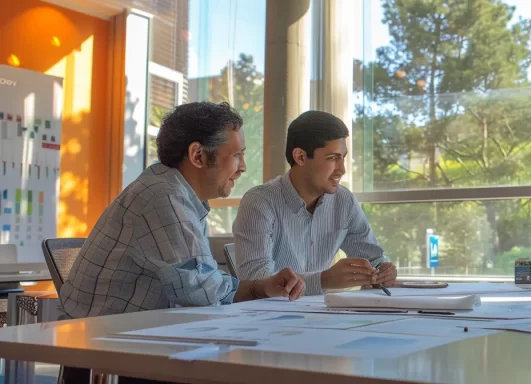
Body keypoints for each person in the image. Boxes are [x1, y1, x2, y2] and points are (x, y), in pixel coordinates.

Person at [58, 101, 305, 320]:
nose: (243, 167)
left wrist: (261, 287)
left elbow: (204, 283)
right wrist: (255, 289)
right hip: (102, 354)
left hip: (132, 341)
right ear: (198, 155)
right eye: (237, 155)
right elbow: (203, 292)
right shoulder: (162, 196)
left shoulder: (181, 196)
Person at [233, 110, 396, 295]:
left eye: (343, 157)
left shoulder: (344, 201)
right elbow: (257, 283)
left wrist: (384, 271)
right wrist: (323, 280)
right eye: (332, 158)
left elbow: (374, 259)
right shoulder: (259, 203)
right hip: (268, 319)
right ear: (300, 157)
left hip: (320, 314)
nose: (342, 169)